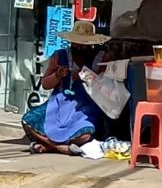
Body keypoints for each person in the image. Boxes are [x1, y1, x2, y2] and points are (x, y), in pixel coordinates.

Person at [22, 20, 110, 155]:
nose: (79, 47)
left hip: (87, 105)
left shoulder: (102, 58)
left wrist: (85, 76)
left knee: (86, 134)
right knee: (28, 120)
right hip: (59, 104)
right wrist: (57, 76)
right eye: (76, 43)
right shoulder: (59, 56)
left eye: (84, 44)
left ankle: (48, 146)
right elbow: (45, 84)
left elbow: (105, 87)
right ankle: (62, 148)